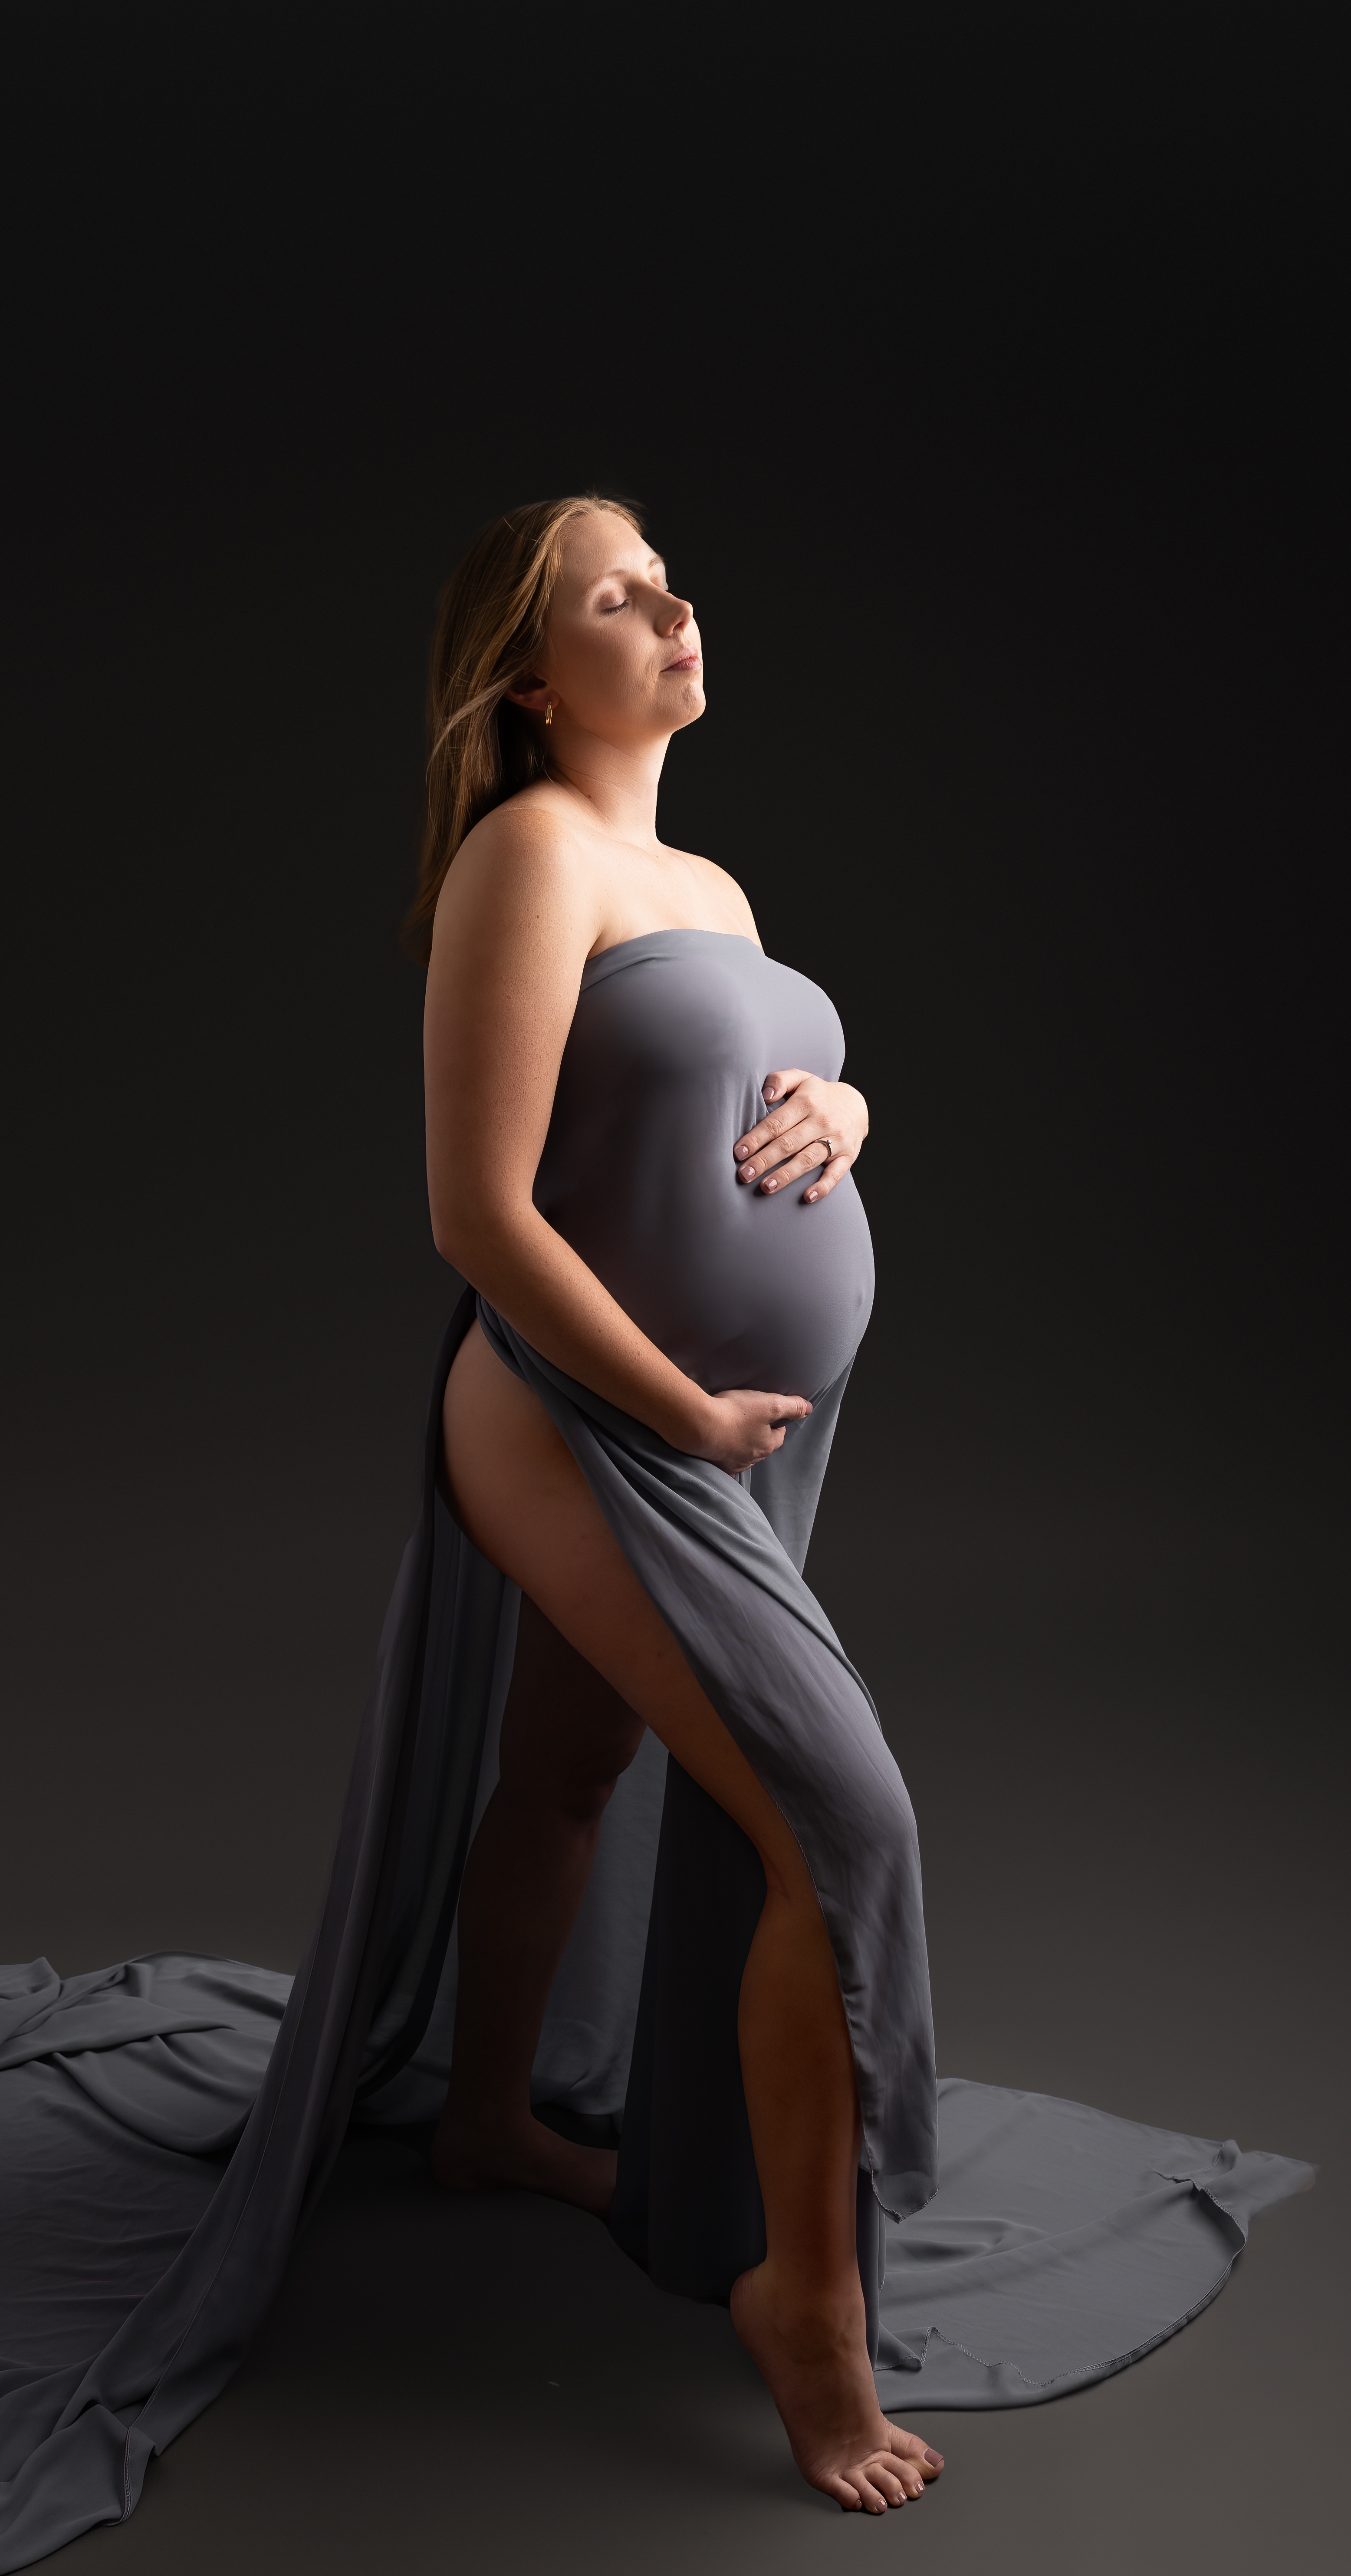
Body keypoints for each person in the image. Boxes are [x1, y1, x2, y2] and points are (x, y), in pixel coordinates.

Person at [407, 492, 943, 2513]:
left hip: (732, 1420)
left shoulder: (701, 882)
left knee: (575, 1762)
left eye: (668, 578)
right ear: (534, 679)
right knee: (834, 1816)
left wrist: (855, 1101)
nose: (671, 604)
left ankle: (481, 2124)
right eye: (618, 595)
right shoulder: (526, 854)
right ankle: (805, 2300)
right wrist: (682, 1415)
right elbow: (478, 1211)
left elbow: (735, 1088)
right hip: (581, 1410)